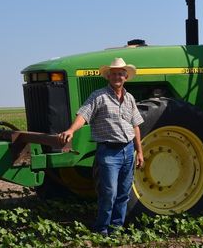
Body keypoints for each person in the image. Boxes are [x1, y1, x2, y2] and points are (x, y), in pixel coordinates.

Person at [59, 57, 144, 235]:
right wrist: (71, 130)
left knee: (123, 193)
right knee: (109, 192)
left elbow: (135, 125)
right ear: (108, 77)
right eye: (114, 74)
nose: (117, 77)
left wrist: (139, 152)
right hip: (109, 152)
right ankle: (102, 229)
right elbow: (84, 114)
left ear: (126, 77)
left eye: (120, 74)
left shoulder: (129, 98)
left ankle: (116, 229)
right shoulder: (99, 96)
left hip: (128, 150)